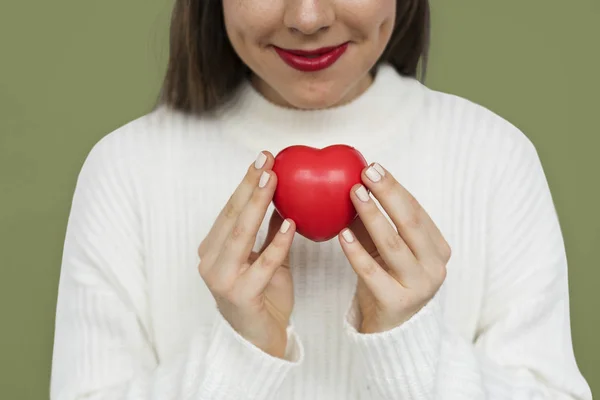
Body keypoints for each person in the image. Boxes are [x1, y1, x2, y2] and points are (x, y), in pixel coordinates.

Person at [50, 0, 593, 399]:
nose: (307, 18)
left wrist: (409, 345)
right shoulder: (124, 168)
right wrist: (241, 353)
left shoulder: (494, 156)